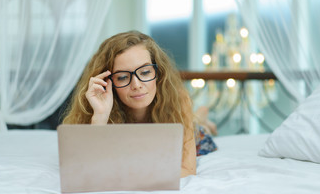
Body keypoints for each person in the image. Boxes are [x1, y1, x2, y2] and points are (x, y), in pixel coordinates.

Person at [63, 30, 216, 177]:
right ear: (108, 82)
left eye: (145, 72)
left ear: (158, 73)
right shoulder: (101, 112)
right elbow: (88, 170)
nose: (136, 85)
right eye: (123, 77)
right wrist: (100, 116)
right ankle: (199, 117)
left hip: (195, 136)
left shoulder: (177, 98)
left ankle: (200, 118)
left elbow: (188, 169)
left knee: (201, 133)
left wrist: (132, 176)